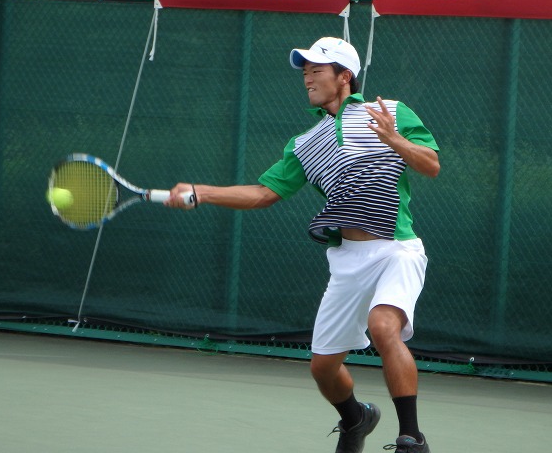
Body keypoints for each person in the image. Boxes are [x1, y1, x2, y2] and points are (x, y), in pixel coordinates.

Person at [165, 37, 440, 453]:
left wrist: (395, 140)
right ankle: (356, 418)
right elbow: (263, 193)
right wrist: (202, 192)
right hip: (348, 259)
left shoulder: (390, 112)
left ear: (344, 77)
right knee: (323, 368)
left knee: (385, 327)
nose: (308, 78)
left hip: (396, 249)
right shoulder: (305, 144)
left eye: (317, 70)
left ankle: (411, 438)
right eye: (305, 72)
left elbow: (431, 165)